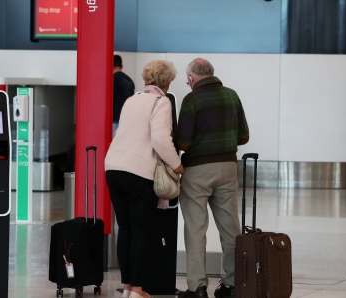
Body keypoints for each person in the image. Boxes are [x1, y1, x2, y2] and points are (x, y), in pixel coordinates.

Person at [105, 60, 184, 298]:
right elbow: (160, 139)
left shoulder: (132, 100)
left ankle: (128, 285)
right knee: (141, 231)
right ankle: (138, 289)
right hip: (138, 173)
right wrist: (177, 165)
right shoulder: (161, 102)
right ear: (168, 82)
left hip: (113, 168)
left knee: (125, 230)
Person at [176, 58, 249, 298]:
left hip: (197, 170)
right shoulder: (231, 95)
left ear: (190, 78)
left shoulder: (192, 100)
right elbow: (244, 137)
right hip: (228, 168)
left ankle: (197, 288)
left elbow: (184, 142)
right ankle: (232, 285)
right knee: (231, 229)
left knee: (196, 229)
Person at [113, 54, 135, 136]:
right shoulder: (129, 80)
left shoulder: (112, 79)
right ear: (121, 66)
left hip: (114, 119)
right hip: (126, 119)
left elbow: (111, 100)